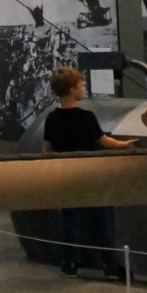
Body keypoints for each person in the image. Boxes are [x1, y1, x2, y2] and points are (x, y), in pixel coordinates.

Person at [41, 65, 136, 279]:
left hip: (66, 175)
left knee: (69, 220)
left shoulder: (52, 118)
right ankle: (110, 264)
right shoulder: (86, 117)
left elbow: (47, 149)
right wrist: (124, 145)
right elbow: (104, 141)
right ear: (72, 89)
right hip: (91, 175)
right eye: (81, 85)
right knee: (102, 219)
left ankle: (69, 263)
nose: (83, 88)